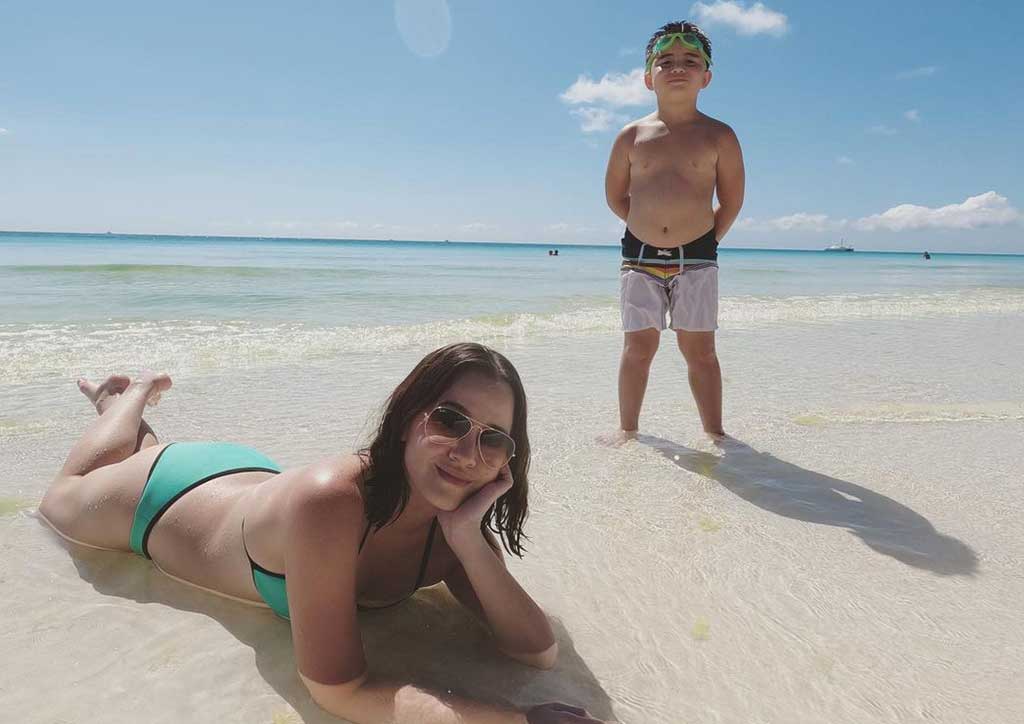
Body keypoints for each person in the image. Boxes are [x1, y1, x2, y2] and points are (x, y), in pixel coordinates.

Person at [39, 343, 605, 724]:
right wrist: (514, 721)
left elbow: (536, 651)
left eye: (493, 439)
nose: (466, 452)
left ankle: (133, 421)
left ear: (508, 460)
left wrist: (468, 543)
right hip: (163, 499)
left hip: (255, 483)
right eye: (451, 420)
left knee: (131, 456)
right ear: (408, 417)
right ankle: (126, 397)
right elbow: (338, 691)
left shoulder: (452, 517)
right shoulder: (332, 502)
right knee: (65, 494)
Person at [602, 21, 745, 445]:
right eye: (665, 61)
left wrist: (705, 239)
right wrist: (646, 226)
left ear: (707, 77)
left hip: (697, 257)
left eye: (690, 61)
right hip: (639, 258)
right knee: (637, 350)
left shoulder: (719, 135)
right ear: (649, 77)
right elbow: (615, 196)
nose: (677, 68)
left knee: (700, 353)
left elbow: (731, 200)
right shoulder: (632, 136)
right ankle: (628, 430)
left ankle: (715, 433)